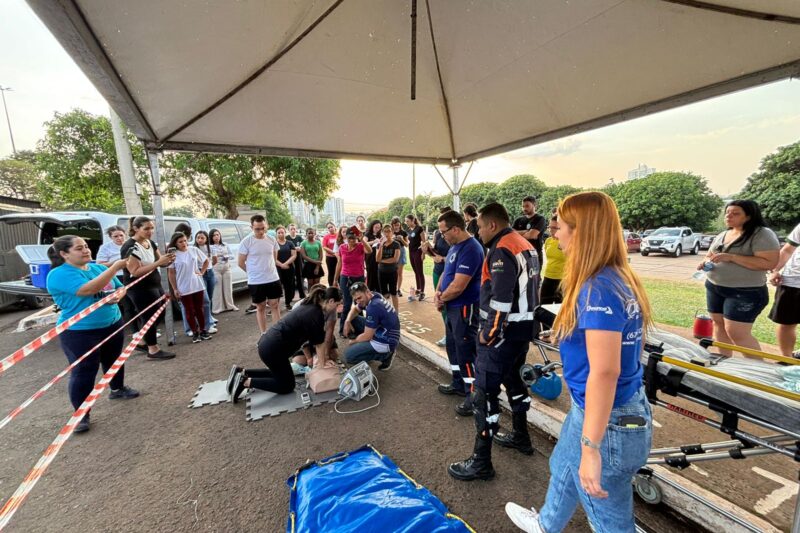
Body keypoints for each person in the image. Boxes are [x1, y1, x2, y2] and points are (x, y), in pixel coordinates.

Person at [505, 191, 653, 533]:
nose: (554, 233)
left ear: (582, 231)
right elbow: (627, 341)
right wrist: (572, 334)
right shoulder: (618, 275)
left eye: (561, 226)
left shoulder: (597, 287)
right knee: (563, 465)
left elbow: (606, 371)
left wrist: (591, 448)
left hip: (609, 417)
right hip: (614, 408)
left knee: (607, 515)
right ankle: (545, 524)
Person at [448, 202, 537, 481]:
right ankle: (521, 437)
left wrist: (489, 333)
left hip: (501, 335)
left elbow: (501, 297)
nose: (478, 231)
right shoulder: (524, 244)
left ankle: (481, 460)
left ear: (492, 225)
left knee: (483, 395)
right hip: (522, 331)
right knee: (514, 383)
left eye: (481, 226)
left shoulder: (501, 249)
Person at [46, 236, 140, 434]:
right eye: (79, 248)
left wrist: (117, 295)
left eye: (86, 247)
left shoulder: (96, 268)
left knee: (114, 360)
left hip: (112, 323)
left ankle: (117, 389)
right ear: (64, 254)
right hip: (80, 331)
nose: (86, 250)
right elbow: (89, 289)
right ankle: (81, 415)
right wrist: (114, 267)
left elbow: (119, 287)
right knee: (84, 372)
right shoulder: (58, 274)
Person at [228, 286, 342, 402]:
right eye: (337, 305)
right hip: (273, 349)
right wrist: (322, 366)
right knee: (287, 385)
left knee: (279, 374)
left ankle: (242, 372)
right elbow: (319, 344)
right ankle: (245, 382)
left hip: (269, 344)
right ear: (331, 301)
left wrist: (322, 362)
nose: (337, 309)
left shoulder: (310, 305)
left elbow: (317, 341)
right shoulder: (316, 314)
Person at [698, 200, 780, 356]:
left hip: (745, 292)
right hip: (715, 287)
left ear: (748, 216)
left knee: (737, 333)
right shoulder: (724, 234)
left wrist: (732, 257)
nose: (729, 216)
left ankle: (755, 371)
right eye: (727, 212)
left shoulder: (761, 234)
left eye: (735, 213)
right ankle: (725, 362)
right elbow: (710, 255)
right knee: (718, 325)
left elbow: (770, 262)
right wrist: (704, 262)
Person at [433, 210, 484, 416]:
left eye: (444, 231)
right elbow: (447, 270)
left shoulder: (471, 249)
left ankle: (473, 396)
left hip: (464, 306)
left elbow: (459, 285)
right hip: (451, 305)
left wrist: (442, 297)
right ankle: (458, 382)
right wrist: (438, 292)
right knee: (453, 347)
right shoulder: (455, 247)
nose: (442, 236)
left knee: (465, 351)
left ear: (455, 228)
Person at [121, 216, 175, 360]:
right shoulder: (130, 246)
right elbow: (135, 271)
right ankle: (153, 349)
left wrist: (167, 260)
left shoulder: (150, 242)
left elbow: (160, 261)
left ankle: (143, 340)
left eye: (151, 228)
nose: (150, 231)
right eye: (146, 228)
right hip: (140, 288)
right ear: (136, 228)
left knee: (160, 313)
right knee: (149, 316)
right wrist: (159, 263)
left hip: (154, 284)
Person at [238, 214, 283, 334]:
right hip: (256, 281)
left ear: (266, 225)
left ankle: (277, 333)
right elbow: (241, 262)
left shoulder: (272, 240)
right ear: (251, 227)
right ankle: (264, 334)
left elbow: (274, 259)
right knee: (261, 307)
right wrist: (252, 273)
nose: (261, 231)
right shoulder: (246, 242)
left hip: (272, 278)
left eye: (263, 228)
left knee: (275, 305)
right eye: (257, 229)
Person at [343, 282, 400, 370]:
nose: (358, 301)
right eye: (356, 300)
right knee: (353, 319)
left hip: (386, 340)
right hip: (385, 331)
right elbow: (355, 309)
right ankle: (365, 349)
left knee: (349, 356)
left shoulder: (373, 307)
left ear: (367, 292)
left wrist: (354, 341)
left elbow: (367, 336)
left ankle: (385, 356)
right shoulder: (375, 295)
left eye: (359, 298)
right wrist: (347, 321)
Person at [167, 232, 211, 343]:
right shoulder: (174, 255)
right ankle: (195, 332)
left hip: (197, 284)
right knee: (189, 311)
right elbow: (171, 273)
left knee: (200, 309)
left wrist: (202, 272)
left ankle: (203, 330)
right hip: (183, 286)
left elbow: (206, 260)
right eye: (180, 242)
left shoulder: (194, 250)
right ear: (175, 243)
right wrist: (175, 289)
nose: (184, 243)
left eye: (185, 240)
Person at [96, 225, 139, 338]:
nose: (119, 238)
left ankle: (145, 329)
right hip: (117, 278)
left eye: (121, 235)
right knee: (128, 305)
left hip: (133, 275)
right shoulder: (105, 248)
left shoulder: (130, 244)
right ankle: (135, 331)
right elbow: (99, 264)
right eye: (115, 236)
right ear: (111, 237)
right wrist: (116, 264)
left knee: (139, 304)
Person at [768, 222, 800, 358]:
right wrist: (775, 270)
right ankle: (787, 359)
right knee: (786, 323)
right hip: (791, 281)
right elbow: (787, 250)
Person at [335, 227, 372, 336]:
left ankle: (360, 328)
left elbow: (369, 250)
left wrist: (362, 239)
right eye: (350, 238)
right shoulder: (342, 247)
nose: (352, 240)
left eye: (354, 238)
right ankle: (342, 329)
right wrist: (334, 279)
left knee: (360, 303)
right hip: (345, 278)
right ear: (346, 237)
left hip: (359, 277)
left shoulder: (360, 246)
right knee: (346, 304)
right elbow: (339, 263)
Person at [425, 206, 452, 346]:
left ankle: (451, 333)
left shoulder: (454, 234)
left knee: (448, 303)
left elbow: (455, 256)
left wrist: (442, 258)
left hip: (449, 272)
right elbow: (436, 252)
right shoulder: (437, 233)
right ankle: (448, 333)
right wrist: (428, 250)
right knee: (441, 303)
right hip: (437, 271)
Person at [209, 228, 239, 313]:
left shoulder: (225, 245)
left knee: (228, 288)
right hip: (216, 268)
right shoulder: (210, 247)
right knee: (217, 289)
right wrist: (216, 256)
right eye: (214, 235)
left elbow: (232, 256)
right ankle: (217, 308)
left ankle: (230, 305)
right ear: (211, 237)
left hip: (226, 268)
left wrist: (226, 256)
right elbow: (208, 258)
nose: (216, 237)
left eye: (217, 235)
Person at [513, 195, 548, 267]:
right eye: (523, 206)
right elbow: (511, 235)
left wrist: (518, 234)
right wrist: (527, 231)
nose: (524, 208)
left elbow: (532, 235)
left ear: (534, 205)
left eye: (527, 206)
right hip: (520, 255)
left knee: (534, 278)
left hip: (534, 256)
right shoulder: (518, 220)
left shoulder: (540, 219)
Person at [540, 215, 566, 305]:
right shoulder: (548, 241)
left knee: (561, 308)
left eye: (554, 227)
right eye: (549, 227)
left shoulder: (568, 242)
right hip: (548, 277)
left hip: (562, 280)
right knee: (544, 306)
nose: (551, 230)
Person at [376, 225, 401, 310]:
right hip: (381, 271)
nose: (387, 233)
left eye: (389, 231)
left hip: (392, 271)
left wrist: (382, 260)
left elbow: (395, 259)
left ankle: (396, 313)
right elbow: (377, 258)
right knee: (384, 294)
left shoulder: (396, 244)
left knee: (393, 293)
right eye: (385, 231)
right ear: (382, 233)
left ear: (392, 232)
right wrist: (382, 245)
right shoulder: (379, 245)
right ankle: (386, 312)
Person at [275, 226, 298, 310]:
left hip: (289, 268)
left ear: (285, 233)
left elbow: (294, 255)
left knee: (289, 286)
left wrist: (286, 263)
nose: (281, 234)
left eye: (282, 232)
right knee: (277, 287)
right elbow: (273, 258)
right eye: (279, 233)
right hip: (277, 268)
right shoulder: (274, 243)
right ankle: (274, 306)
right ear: (276, 234)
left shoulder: (290, 243)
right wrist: (281, 265)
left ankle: (288, 303)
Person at [405, 214, 427, 300]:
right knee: (416, 272)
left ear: (413, 220)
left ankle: (422, 292)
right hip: (411, 252)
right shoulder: (409, 230)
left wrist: (423, 254)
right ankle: (418, 289)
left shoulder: (419, 228)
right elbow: (408, 242)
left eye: (408, 221)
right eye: (406, 221)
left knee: (420, 272)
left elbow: (424, 242)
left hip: (418, 252)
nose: (406, 223)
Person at [391, 217, 409, 297]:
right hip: (391, 252)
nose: (396, 227)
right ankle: (392, 288)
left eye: (398, 225)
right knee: (392, 272)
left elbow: (407, 245)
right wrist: (392, 238)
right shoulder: (390, 232)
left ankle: (398, 289)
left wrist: (401, 239)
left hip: (401, 251)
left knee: (399, 273)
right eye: (395, 225)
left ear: (400, 224)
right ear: (392, 225)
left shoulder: (403, 232)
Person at [288, 224, 306, 300]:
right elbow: (287, 248)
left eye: (294, 229)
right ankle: (291, 296)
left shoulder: (299, 237)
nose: (293, 230)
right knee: (291, 278)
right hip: (290, 260)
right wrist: (295, 248)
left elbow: (301, 248)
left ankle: (302, 294)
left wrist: (294, 248)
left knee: (300, 277)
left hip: (298, 260)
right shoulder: (287, 238)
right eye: (291, 229)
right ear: (288, 230)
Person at [365, 220, 384, 292]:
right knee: (371, 274)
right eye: (376, 227)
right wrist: (373, 242)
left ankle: (379, 291)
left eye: (379, 227)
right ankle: (370, 290)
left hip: (378, 256)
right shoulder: (368, 234)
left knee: (378, 274)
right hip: (370, 257)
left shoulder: (380, 235)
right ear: (372, 226)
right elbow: (363, 243)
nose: (377, 229)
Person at [322, 222, 339, 286]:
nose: (330, 229)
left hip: (339, 257)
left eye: (331, 227)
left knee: (339, 272)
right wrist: (333, 252)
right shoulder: (326, 237)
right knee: (331, 273)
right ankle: (331, 288)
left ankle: (340, 288)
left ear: (334, 227)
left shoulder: (339, 235)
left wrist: (337, 254)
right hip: (330, 257)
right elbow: (324, 247)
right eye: (328, 228)